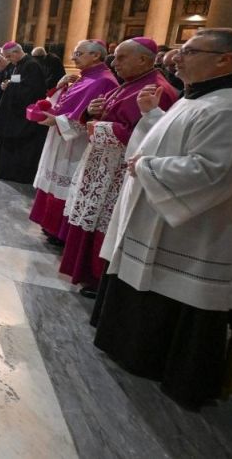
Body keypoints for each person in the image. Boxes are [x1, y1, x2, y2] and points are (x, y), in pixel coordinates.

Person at [93, 28, 232, 409]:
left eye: (190, 51)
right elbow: (172, 139)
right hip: (159, 219)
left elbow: (218, 171)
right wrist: (151, 119)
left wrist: (148, 167)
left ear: (224, 59)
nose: (177, 57)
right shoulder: (200, 97)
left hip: (195, 234)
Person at [58, 38, 178, 297]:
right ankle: (88, 275)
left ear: (143, 60)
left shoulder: (157, 90)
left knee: (108, 222)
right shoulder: (131, 83)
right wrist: (93, 112)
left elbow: (152, 136)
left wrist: (99, 126)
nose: (114, 63)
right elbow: (111, 114)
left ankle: (98, 277)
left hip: (121, 171)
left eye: (121, 57)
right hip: (103, 164)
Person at [30, 40, 118, 247]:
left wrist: (56, 121)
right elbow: (64, 105)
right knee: (55, 177)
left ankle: (59, 230)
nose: (73, 57)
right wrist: (60, 88)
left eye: (78, 53)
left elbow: (88, 119)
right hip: (62, 137)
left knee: (66, 179)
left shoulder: (104, 81)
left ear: (96, 55)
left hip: (76, 144)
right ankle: (49, 225)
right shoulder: (85, 77)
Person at [0, 42, 48, 182]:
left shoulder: (32, 65)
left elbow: (31, 91)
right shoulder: (19, 64)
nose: (8, 60)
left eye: (9, 57)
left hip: (21, 115)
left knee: (19, 144)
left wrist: (10, 87)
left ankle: (15, 173)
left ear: (16, 52)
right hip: (13, 112)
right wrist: (7, 84)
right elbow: (17, 81)